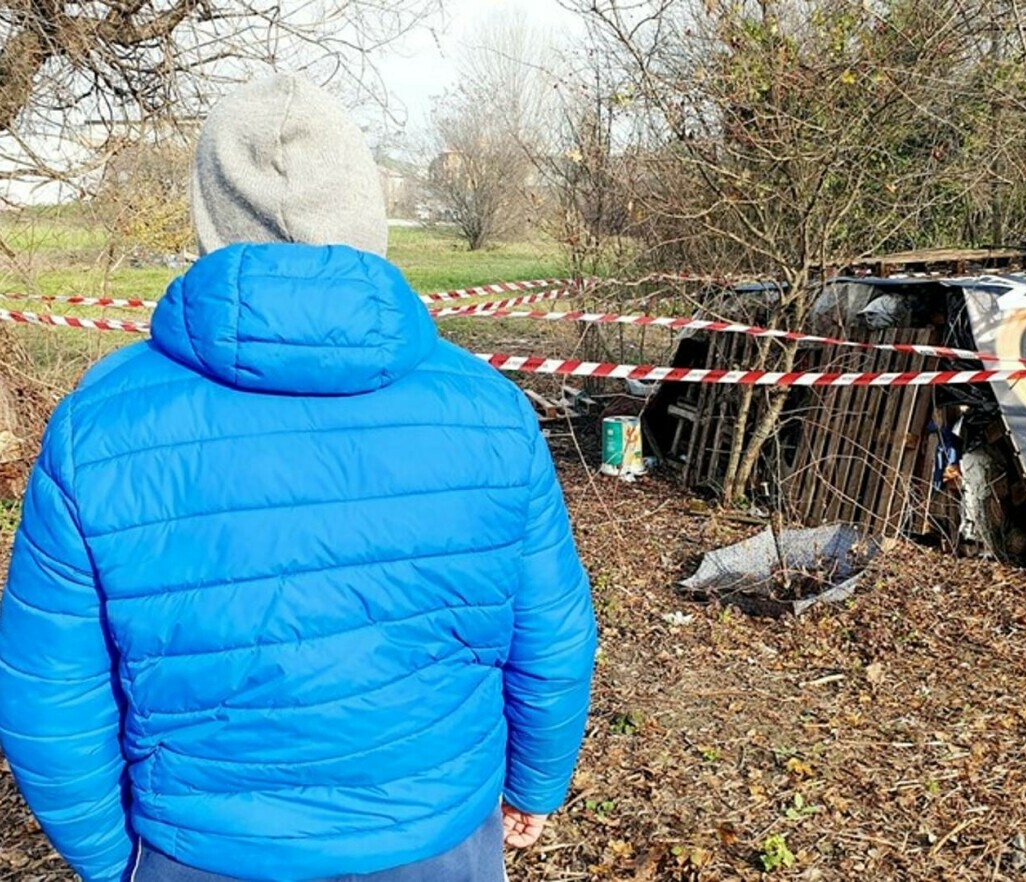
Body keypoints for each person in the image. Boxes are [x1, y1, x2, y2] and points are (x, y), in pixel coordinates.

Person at [0, 73, 597, 882]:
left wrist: (111, 861)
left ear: (207, 212)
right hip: (437, 841)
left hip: (200, 853)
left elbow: (47, 688)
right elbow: (553, 633)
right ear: (365, 207)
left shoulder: (99, 425)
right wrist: (533, 784)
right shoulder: (487, 410)